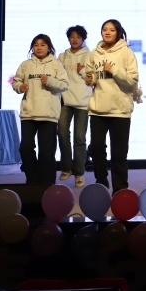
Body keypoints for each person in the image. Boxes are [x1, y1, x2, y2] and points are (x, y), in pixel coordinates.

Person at [85, 19, 140, 194]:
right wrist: (90, 79)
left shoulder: (126, 52)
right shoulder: (94, 53)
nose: (107, 32)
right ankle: (101, 182)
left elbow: (132, 80)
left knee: (119, 153)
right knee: (96, 148)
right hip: (98, 109)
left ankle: (120, 190)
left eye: (111, 30)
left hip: (120, 110)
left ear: (118, 32)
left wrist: (114, 70)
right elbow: (92, 76)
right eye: (104, 29)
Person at [12, 34, 69, 185]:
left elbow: (64, 85)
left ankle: (47, 184)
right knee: (25, 148)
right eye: (36, 45)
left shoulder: (56, 65)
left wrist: (49, 81)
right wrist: (19, 87)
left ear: (49, 47)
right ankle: (32, 180)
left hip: (48, 114)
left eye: (42, 45)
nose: (39, 48)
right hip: (29, 114)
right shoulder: (25, 64)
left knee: (46, 152)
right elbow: (16, 82)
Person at [57, 25, 92, 187]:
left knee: (79, 138)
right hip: (65, 100)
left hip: (83, 102)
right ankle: (66, 167)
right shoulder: (62, 56)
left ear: (83, 38)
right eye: (72, 36)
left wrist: (83, 72)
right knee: (62, 133)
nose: (75, 39)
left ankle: (79, 172)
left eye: (78, 36)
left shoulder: (89, 55)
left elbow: (92, 78)